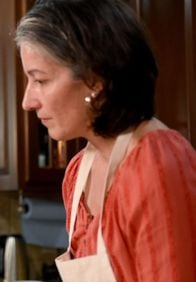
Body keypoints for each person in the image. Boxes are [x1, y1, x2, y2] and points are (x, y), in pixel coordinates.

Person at [15, 0, 196, 281]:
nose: (28, 101)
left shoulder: (156, 163)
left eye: (40, 80)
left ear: (94, 80)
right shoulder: (77, 176)